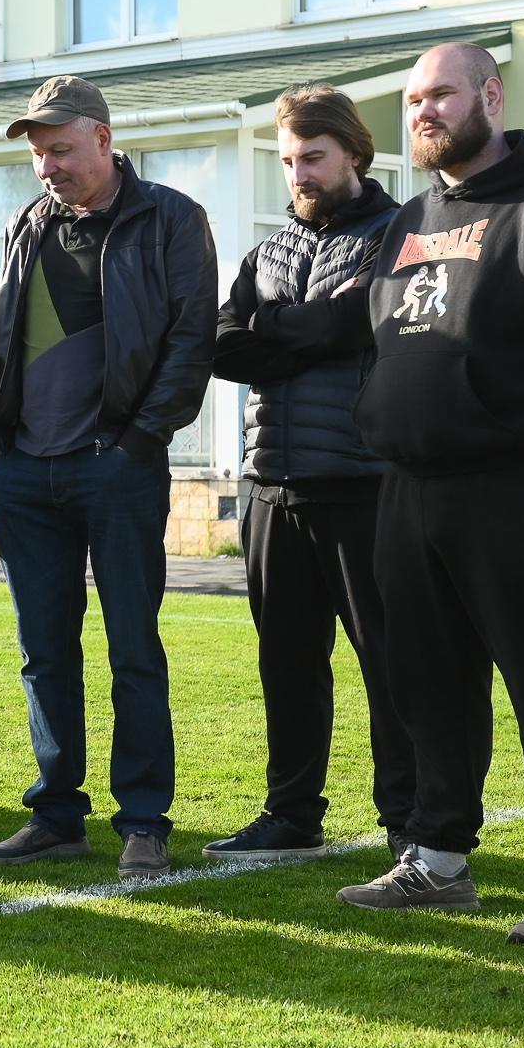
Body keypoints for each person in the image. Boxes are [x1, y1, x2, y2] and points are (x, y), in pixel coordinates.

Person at [239, 44, 524, 945]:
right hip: (408, 484)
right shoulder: (413, 216)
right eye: (413, 99)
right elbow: (379, 329)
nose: (424, 111)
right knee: (429, 683)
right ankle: (438, 858)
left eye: (441, 93)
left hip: (521, 483)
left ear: (491, 95)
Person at [0, 76, 216, 880]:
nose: (48, 166)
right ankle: (56, 814)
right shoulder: (26, 223)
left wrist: (139, 441)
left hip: (116, 469)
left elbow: (191, 339)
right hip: (25, 472)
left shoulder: (171, 218)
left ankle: (144, 820)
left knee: (132, 648)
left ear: (105, 140)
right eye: (38, 154)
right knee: (43, 652)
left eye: (61, 149)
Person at [207, 84, 414, 864]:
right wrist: (309, 332)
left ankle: (409, 821)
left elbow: (363, 321)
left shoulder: (399, 233)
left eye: (313, 157)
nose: (299, 173)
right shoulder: (267, 253)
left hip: (365, 483)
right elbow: (222, 344)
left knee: (390, 663)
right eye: (290, 160)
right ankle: (291, 813)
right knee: (287, 662)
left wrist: (278, 328)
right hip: (273, 484)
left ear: (354, 153)